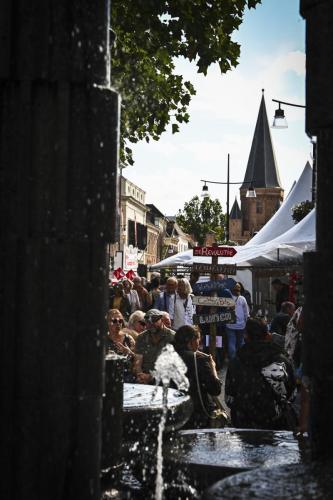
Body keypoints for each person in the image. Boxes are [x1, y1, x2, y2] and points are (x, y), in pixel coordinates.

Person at [225, 318, 296, 430]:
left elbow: (229, 398)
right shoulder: (282, 361)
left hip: (243, 425)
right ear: (267, 336)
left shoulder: (236, 362)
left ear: (246, 336)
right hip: (275, 426)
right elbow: (292, 395)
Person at [174, 325, 222, 428]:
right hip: (196, 414)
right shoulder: (198, 359)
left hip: (175, 412)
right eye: (198, 340)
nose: (199, 344)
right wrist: (213, 367)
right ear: (191, 341)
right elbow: (215, 389)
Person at [134, 309, 175, 384]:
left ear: (161, 320)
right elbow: (138, 361)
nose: (151, 324)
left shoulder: (172, 337)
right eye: (148, 322)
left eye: (154, 320)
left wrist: (151, 377)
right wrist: (140, 376)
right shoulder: (141, 337)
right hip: (144, 379)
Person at [106, 309, 136, 382]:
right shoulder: (103, 340)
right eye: (114, 321)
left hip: (126, 377)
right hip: (107, 376)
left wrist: (129, 353)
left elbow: (137, 360)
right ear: (107, 322)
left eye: (120, 321)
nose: (118, 323)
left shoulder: (129, 339)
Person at [225, 282, 250, 360]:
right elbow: (246, 312)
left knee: (231, 342)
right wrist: (246, 322)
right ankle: (242, 359)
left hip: (230, 324)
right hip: (241, 325)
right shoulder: (242, 298)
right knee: (241, 342)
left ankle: (233, 360)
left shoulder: (228, 298)